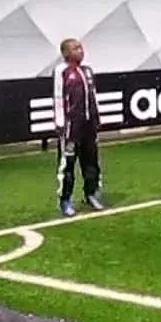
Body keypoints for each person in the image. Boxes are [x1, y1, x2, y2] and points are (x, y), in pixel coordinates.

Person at [52, 38, 103, 217]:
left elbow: (93, 95)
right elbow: (58, 97)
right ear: (66, 53)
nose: (80, 51)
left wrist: (96, 118)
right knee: (68, 165)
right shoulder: (62, 71)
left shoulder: (87, 70)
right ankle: (65, 200)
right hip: (71, 126)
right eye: (75, 48)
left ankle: (91, 194)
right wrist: (60, 123)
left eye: (81, 47)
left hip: (89, 125)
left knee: (91, 161)